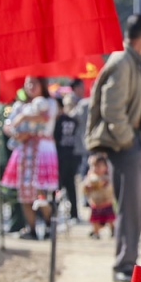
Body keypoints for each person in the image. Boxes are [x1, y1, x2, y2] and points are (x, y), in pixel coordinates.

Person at [86, 14, 141, 282]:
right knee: (129, 207)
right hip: (127, 145)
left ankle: (129, 261)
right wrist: (127, 140)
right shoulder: (123, 61)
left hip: (137, 143)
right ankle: (123, 264)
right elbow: (111, 107)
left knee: (136, 207)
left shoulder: (132, 62)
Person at [1, 76, 59, 239]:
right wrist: (17, 134)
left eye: (34, 83)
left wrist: (24, 118)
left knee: (40, 190)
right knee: (24, 192)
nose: (31, 87)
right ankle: (31, 229)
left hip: (41, 150)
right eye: (28, 84)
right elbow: (8, 126)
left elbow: (45, 117)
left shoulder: (50, 103)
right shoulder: (20, 106)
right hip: (24, 150)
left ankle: (49, 224)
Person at [54, 93, 83, 221]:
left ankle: (55, 212)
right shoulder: (74, 120)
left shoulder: (59, 120)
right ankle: (74, 214)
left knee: (58, 185)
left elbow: (55, 138)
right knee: (70, 186)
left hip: (61, 156)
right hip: (72, 155)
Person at [81, 153, 116, 239]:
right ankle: (96, 232)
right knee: (95, 220)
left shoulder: (107, 178)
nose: (96, 169)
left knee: (110, 219)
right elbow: (84, 189)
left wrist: (102, 184)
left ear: (105, 167)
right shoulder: (90, 178)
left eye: (99, 166)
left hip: (106, 202)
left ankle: (113, 229)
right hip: (95, 203)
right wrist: (87, 187)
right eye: (94, 166)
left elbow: (110, 188)